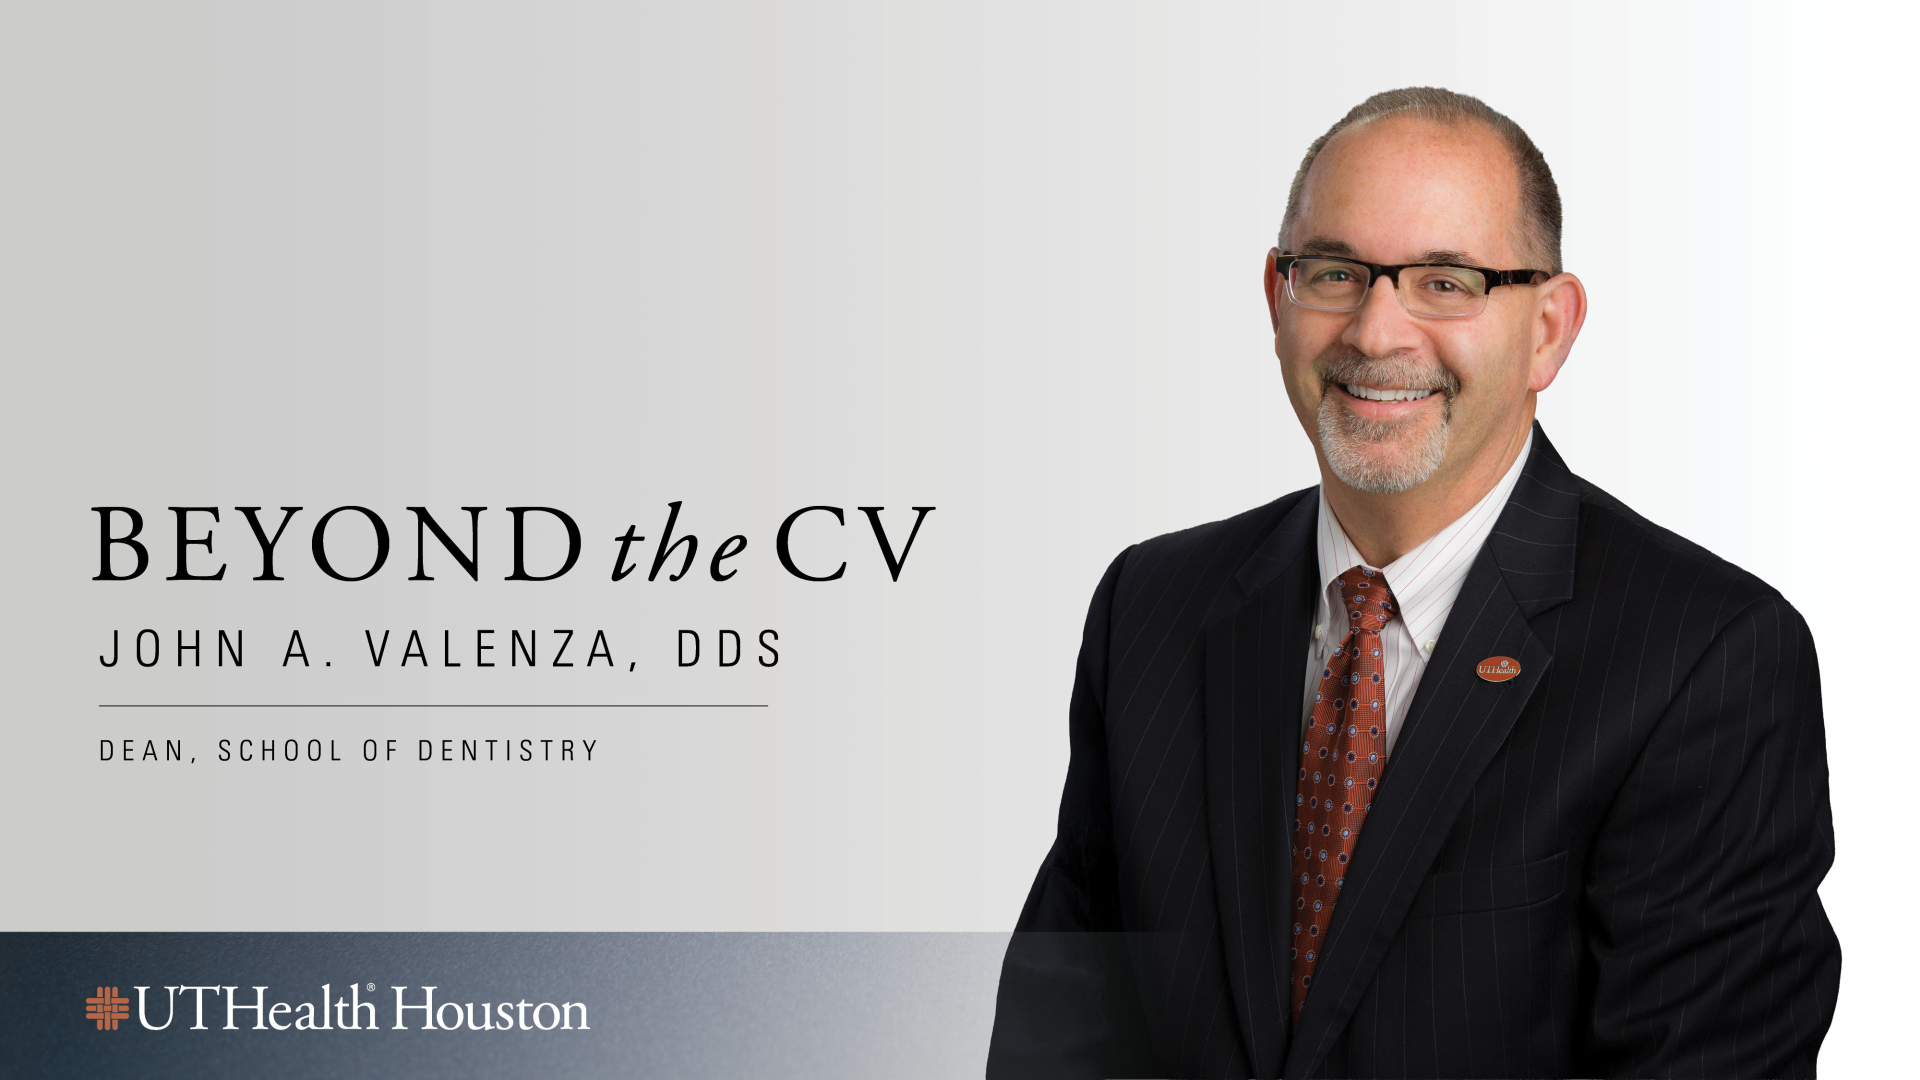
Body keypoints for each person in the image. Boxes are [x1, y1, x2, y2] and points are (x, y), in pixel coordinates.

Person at [985, 87, 1840, 1079]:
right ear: (1278, 297)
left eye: (1447, 281)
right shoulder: (1152, 608)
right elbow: (1062, 1041)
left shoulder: (1706, 658)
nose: (1378, 333)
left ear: (1549, 329)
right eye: (1337, 272)